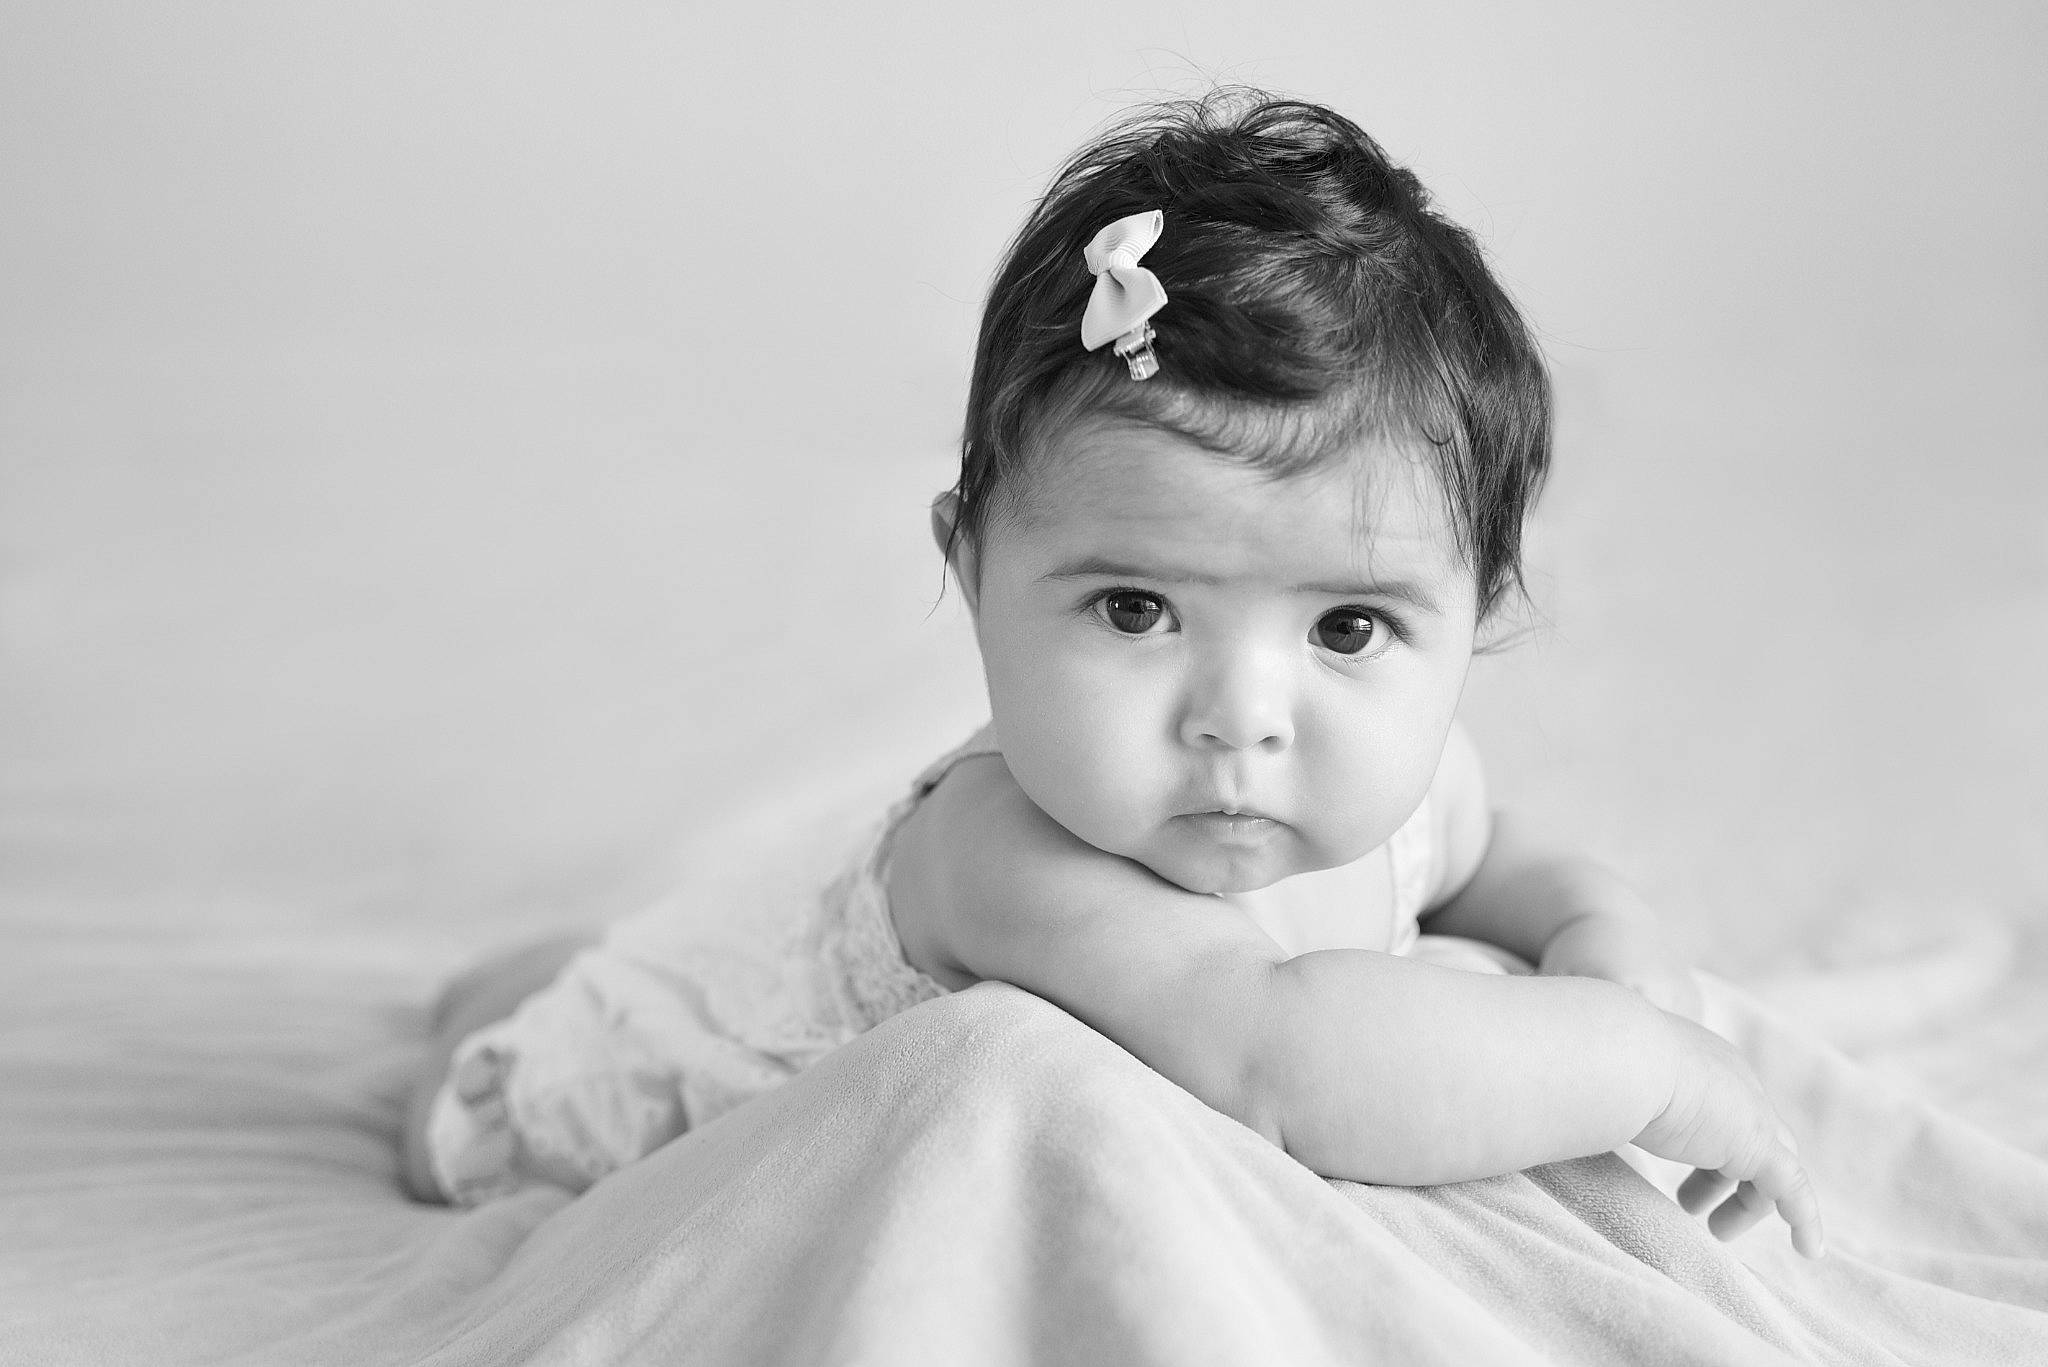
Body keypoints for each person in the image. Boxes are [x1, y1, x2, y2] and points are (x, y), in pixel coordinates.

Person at [401, 89, 1823, 1260]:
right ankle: (498, 1019)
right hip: (632, 1083)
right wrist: (1641, 1062)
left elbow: (1510, 862)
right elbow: (1284, 1065)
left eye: (1346, 630)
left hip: (767, 922)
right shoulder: (1007, 857)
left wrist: (1611, 949)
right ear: (972, 574)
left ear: (1475, 616)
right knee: (502, 1083)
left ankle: (562, 956)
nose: (1239, 721)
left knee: (697, 922)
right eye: (1136, 609)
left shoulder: (1406, 781)